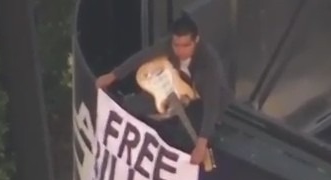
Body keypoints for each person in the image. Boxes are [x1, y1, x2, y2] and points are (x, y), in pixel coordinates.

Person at [96, 15, 233, 167]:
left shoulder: (208, 64)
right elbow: (143, 56)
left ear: (197, 40)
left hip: (201, 100)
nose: (180, 51)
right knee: (132, 106)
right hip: (178, 89)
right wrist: (113, 75)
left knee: (186, 137)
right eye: (176, 45)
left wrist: (201, 143)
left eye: (186, 46)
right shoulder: (168, 46)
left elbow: (211, 105)